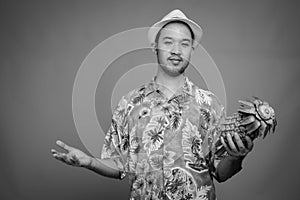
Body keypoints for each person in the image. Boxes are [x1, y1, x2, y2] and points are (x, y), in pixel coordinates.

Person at [51, 9, 265, 200]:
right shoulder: (129, 103)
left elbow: (222, 172)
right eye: (168, 41)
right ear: (155, 46)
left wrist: (237, 156)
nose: (176, 50)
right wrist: (89, 162)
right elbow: (118, 165)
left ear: (192, 49)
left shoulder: (210, 105)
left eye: (184, 44)